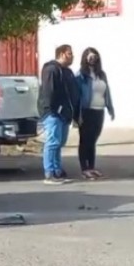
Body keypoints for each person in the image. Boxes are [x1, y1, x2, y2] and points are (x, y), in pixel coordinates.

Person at [37, 44, 79, 185]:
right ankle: (49, 173)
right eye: (69, 53)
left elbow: (72, 93)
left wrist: (72, 113)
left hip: (65, 114)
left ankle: (57, 170)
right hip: (53, 113)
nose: (72, 56)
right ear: (61, 54)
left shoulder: (67, 72)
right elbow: (49, 92)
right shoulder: (51, 69)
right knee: (53, 141)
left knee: (59, 142)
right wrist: (53, 110)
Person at [75, 47, 115, 180]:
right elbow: (77, 96)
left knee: (93, 140)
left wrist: (110, 109)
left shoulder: (101, 74)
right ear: (85, 58)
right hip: (86, 111)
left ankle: (91, 167)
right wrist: (78, 115)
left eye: (95, 57)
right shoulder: (81, 75)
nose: (92, 59)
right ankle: (84, 169)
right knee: (84, 140)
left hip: (99, 110)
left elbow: (107, 92)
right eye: (90, 57)